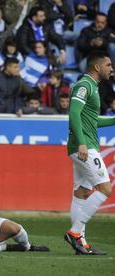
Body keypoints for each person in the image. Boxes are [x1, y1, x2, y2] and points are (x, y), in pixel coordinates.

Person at [64, 52, 114, 255]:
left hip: (83, 145)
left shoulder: (93, 87)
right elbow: (74, 112)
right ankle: (75, 233)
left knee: (82, 193)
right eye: (108, 64)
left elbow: (92, 121)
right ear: (97, 67)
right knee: (104, 189)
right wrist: (82, 143)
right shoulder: (84, 85)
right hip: (84, 147)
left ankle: (80, 243)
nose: (111, 68)